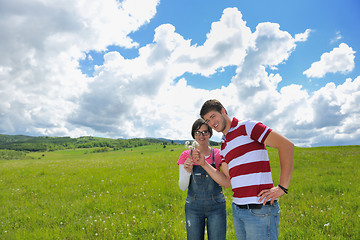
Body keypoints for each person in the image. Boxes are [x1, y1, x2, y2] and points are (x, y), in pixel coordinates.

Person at [193, 99, 294, 240]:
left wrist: (282, 187)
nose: (211, 123)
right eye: (207, 120)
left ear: (223, 111)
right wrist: (204, 164)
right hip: (238, 210)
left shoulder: (248, 127)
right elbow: (226, 181)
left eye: (213, 116)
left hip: (260, 210)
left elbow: (286, 145)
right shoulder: (224, 145)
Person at [177, 118, 227, 240]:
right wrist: (187, 172)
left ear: (210, 133)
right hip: (193, 206)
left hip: (216, 206)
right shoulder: (186, 155)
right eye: (198, 132)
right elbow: (182, 187)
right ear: (193, 135)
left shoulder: (219, 155)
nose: (201, 135)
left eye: (205, 132)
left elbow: (226, 182)